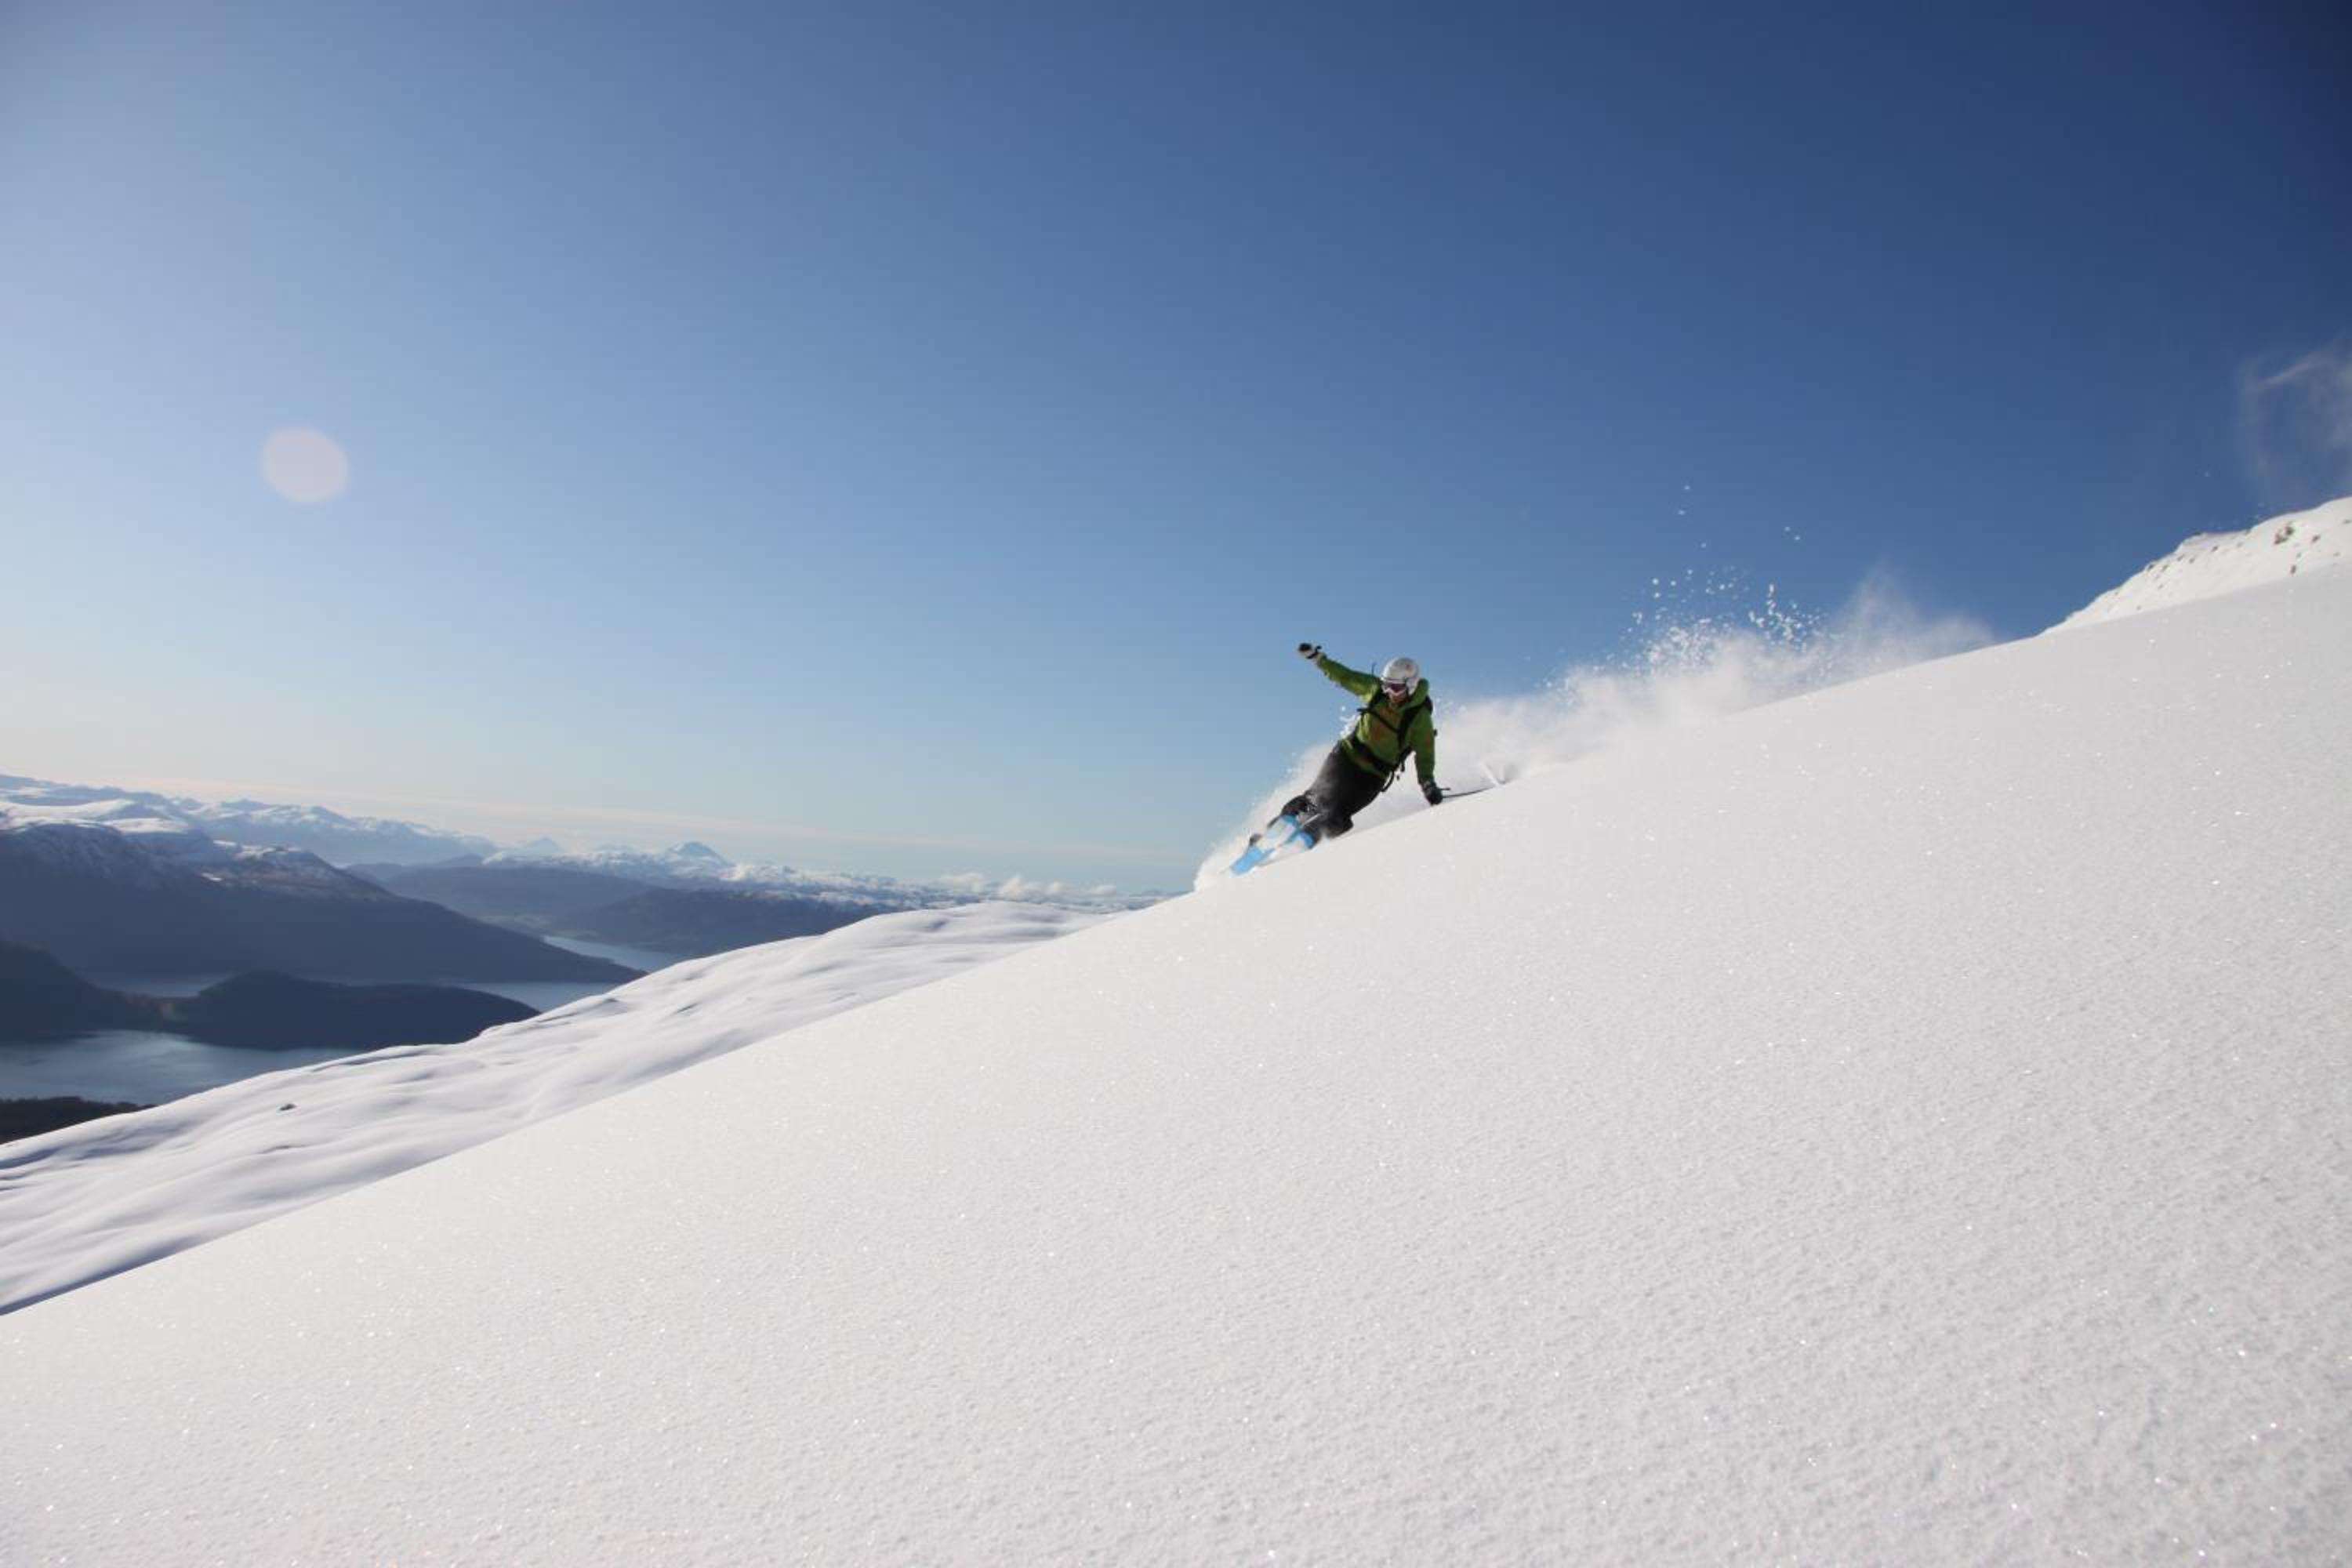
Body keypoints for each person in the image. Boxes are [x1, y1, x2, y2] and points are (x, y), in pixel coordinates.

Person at [1274, 643, 1443, 841]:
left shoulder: (1420, 718)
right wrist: (1318, 658)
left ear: (1411, 686)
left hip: (1373, 777)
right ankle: (1271, 835)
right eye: (1386, 685)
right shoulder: (1376, 691)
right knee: (1313, 802)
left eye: (1395, 688)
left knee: (1337, 817)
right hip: (1345, 758)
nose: (1389, 692)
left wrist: (1427, 783)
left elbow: (1425, 753)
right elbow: (1345, 676)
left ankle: (1301, 844)